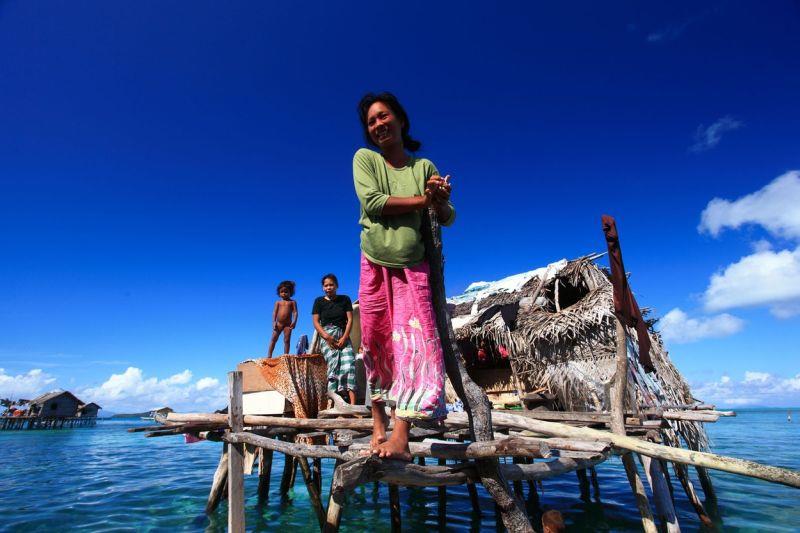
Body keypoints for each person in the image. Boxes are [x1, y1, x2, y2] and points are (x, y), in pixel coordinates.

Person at [353, 92, 456, 461]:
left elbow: (447, 216)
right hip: (376, 262)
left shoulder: (422, 166)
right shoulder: (365, 160)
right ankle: (377, 421)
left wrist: (439, 196)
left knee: (415, 346)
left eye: (384, 116)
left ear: (400, 120)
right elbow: (374, 202)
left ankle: (401, 435)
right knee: (375, 342)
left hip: (413, 267)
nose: (379, 124)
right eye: (371, 121)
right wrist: (422, 201)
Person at [312, 274, 357, 404]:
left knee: (349, 365)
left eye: (331, 285)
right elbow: (315, 322)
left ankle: (353, 407)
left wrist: (344, 337)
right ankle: (333, 406)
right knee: (333, 368)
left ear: (336, 286)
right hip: (327, 336)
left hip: (343, 335)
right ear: (323, 287)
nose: (328, 288)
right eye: (326, 285)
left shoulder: (344, 299)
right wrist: (326, 337)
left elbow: (350, 320)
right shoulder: (319, 301)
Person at [268, 280, 298, 357]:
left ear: (290, 292)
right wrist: (273, 322)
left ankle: (286, 355)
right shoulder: (278, 302)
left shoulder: (292, 302)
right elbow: (274, 312)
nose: (284, 294)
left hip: (288, 324)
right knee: (274, 339)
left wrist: (294, 321)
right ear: (279, 293)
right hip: (279, 323)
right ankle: (269, 355)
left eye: (286, 292)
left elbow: (295, 312)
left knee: (287, 340)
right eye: (282, 292)